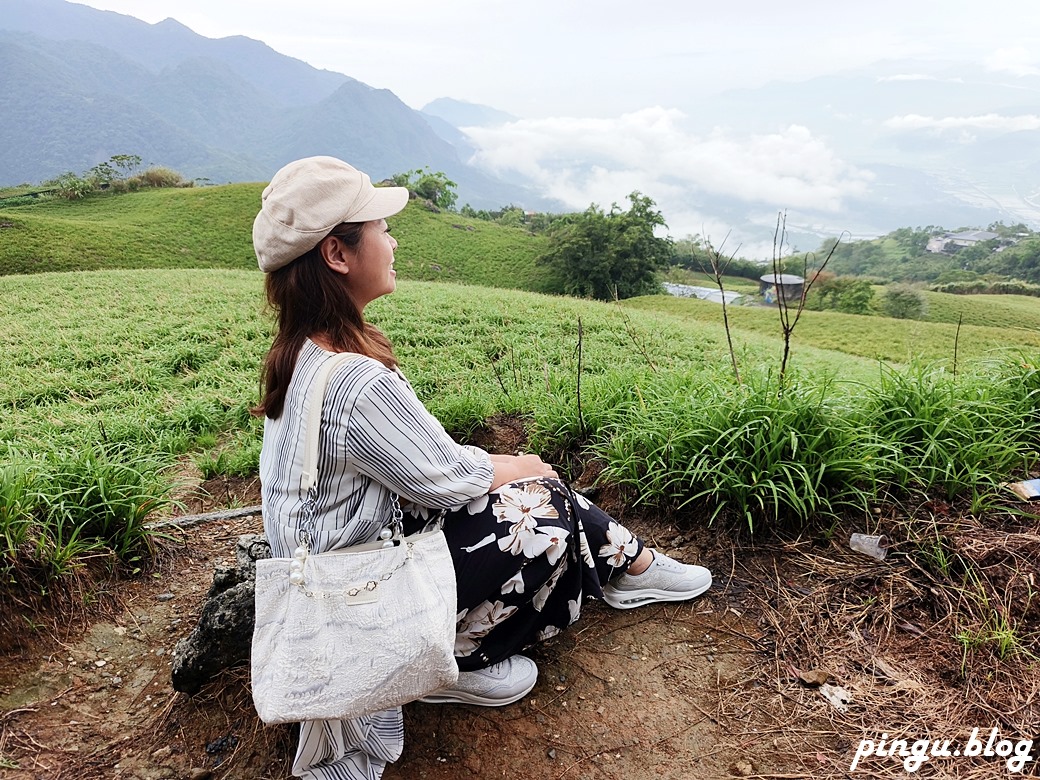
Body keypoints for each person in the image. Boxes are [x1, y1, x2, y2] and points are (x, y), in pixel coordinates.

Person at [252, 156, 712, 780]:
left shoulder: (303, 352)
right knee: (537, 506)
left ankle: (629, 565)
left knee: (530, 484)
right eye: (380, 226)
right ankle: (455, 661)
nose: (393, 238)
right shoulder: (354, 380)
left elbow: (425, 469)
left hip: (336, 567)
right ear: (338, 254)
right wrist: (523, 464)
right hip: (359, 600)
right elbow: (447, 480)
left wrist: (511, 465)